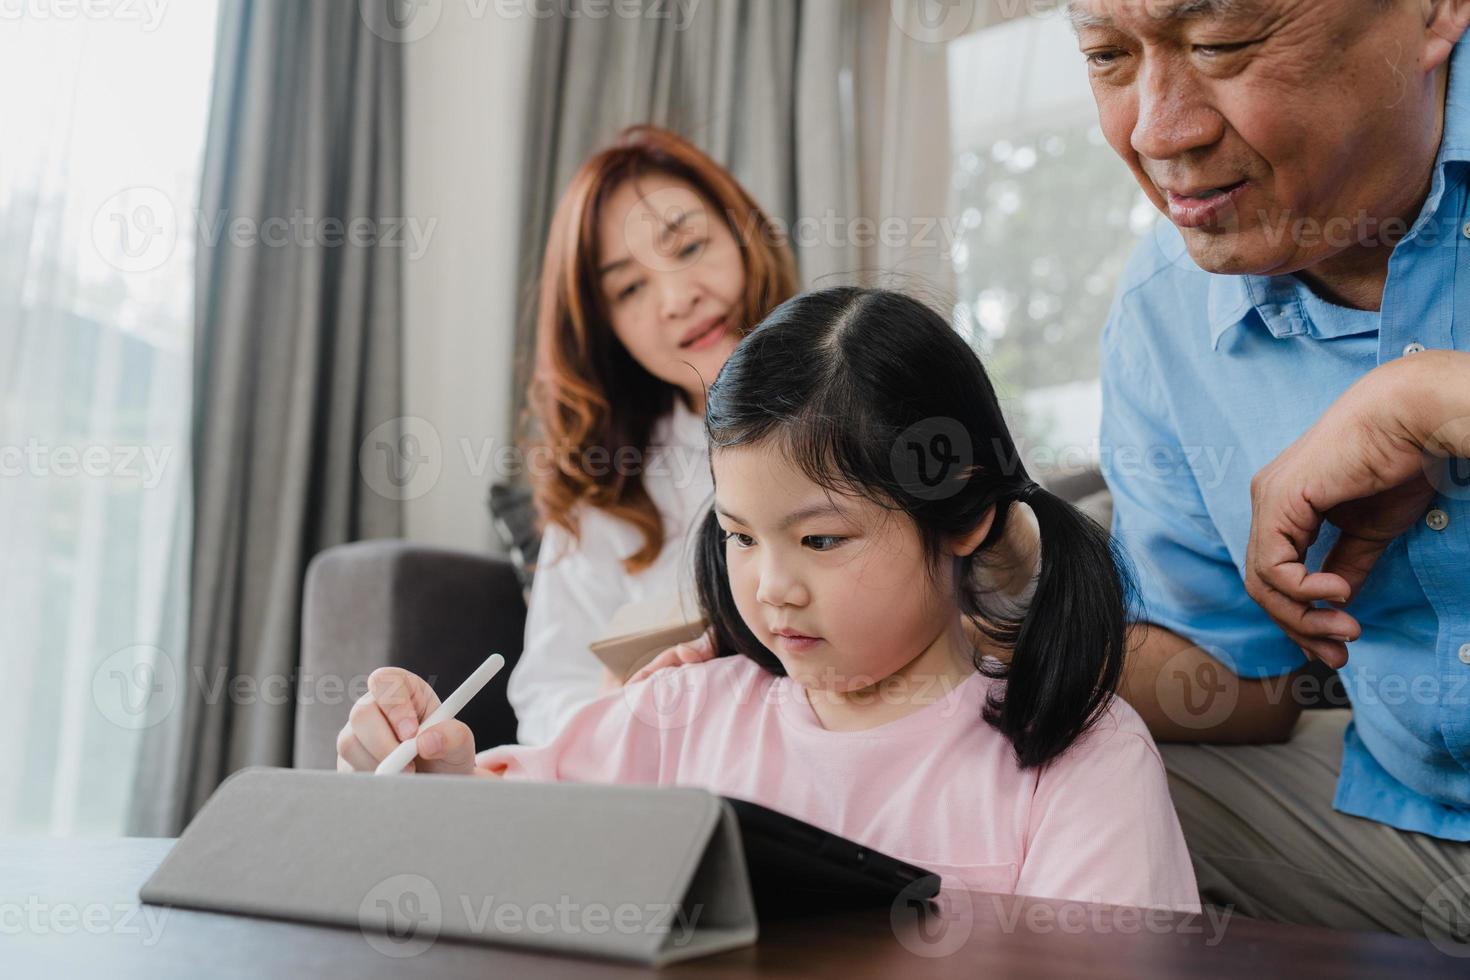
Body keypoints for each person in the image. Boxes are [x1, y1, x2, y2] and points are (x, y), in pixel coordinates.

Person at [337, 288, 1200, 912]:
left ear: (965, 514)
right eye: (741, 537)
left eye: (821, 540)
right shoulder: (675, 716)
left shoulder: (1081, 761)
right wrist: (435, 779)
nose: (770, 586)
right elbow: (512, 845)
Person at [1068, 0, 1470, 936]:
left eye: (1222, 45)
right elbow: (1243, 683)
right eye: (1107, 57)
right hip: (1406, 819)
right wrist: (982, 615)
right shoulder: (1160, 315)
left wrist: (1430, 401)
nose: (1161, 130)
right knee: (1040, 788)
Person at [507, 124, 797, 744]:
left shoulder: (877, 391)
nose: (675, 298)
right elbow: (548, 696)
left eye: (689, 247)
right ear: (603, 326)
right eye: (630, 287)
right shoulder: (604, 489)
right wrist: (616, 713)